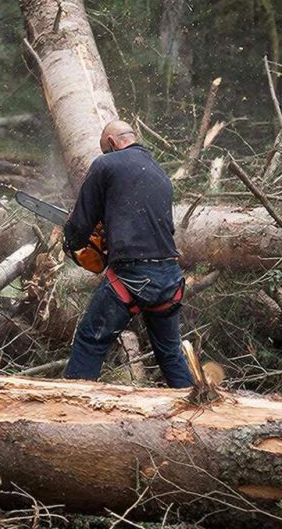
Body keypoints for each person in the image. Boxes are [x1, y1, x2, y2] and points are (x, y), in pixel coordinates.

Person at [62, 120, 194, 388]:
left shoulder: (106, 164)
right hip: (169, 276)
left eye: (106, 149)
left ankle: (70, 407)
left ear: (111, 143)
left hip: (132, 276)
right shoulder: (159, 173)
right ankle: (194, 407)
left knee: (91, 339)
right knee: (170, 354)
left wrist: (71, 241)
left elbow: (82, 221)